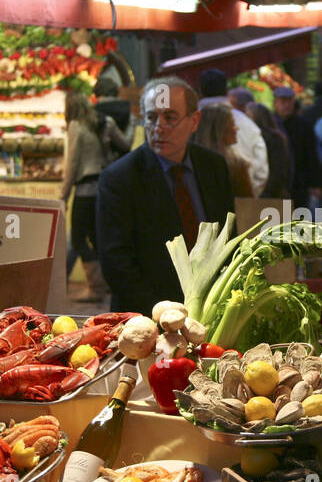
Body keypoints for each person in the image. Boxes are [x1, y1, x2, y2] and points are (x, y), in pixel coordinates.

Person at [98, 77, 236, 315]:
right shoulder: (119, 178)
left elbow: (229, 238)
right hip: (147, 316)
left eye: (170, 117)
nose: (158, 127)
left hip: (211, 311)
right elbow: (116, 265)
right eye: (151, 117)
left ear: (194, 121)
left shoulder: (213, 166)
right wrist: (164, 315)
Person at [61, 88, 130, 302]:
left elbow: (72, 163)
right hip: (103, 188)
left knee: (79, 239)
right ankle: (109, 284)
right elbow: (126, 144)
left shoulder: (76, 126)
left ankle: (95, 289)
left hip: (84, 191)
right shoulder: (105, 122)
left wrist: (63, 194)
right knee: (98, 238)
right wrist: (135, 124)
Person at [199, 68, 268, 198]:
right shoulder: (246, 122)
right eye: (232, 126)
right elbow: (261, 170)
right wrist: (246, 198)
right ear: (226, 91)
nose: (235, 129)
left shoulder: (187, 121)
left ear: (200, 91)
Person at [271, 85, 320, 209]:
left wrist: (315, 183)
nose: (286, 105)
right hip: (276, 182)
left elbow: (311, 155)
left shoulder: (304, 126)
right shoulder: (269, 124)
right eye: (283, 101)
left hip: (299, 182)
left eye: (290, 101)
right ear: (275, 103)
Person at [193, 102, 254, 198]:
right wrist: (227, 214)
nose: (236, 129)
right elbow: (241, 205)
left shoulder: (189, 161)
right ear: (219, 129)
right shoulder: (236, 165)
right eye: (233, 124)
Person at [245, 101, 292, 200]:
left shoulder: (273, 138)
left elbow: (278, 171)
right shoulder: (276, 137)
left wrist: (265, 193)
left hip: (269, 195)